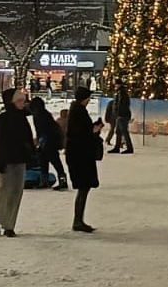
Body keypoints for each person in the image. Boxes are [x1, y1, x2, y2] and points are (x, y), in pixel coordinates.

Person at [0, 89, 33, 238]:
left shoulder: (22, 119)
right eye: (19, 101)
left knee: (16, 192)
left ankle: (9, 225)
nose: (23, 103)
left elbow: (26, 138)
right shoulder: (2, 119)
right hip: (5, 161)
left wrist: (30, 150)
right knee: (3, 191)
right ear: (11, 102)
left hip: (19, 159)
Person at [65, 87, 104, 233]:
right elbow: (80, 134)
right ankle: (78, 220)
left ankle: (78, 219)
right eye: (88, 98)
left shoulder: (77, 111)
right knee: (83, 187)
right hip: (80, 156)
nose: (89, 100)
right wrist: (93, 130)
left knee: (84, 187)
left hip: (78, 155)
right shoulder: (79, 112)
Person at [29, 96, 68, 191]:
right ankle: (46, 181)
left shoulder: (39, 115)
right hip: (49, 140)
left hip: (49, 141)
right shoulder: (43, 113)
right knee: (44, 160)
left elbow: (43, 130)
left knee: (53, 160)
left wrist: (40, 140)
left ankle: (60, 181)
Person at [108, 83, 133, 154]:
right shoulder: (120, 93)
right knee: (118, 132)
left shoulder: (122, 93)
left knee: (124, 132)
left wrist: (119, 114)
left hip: (122, 115)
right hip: (120, 115)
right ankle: (117, 147)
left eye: (116, 84)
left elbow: (121, 105)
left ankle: (129, 148)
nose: (115, 86)